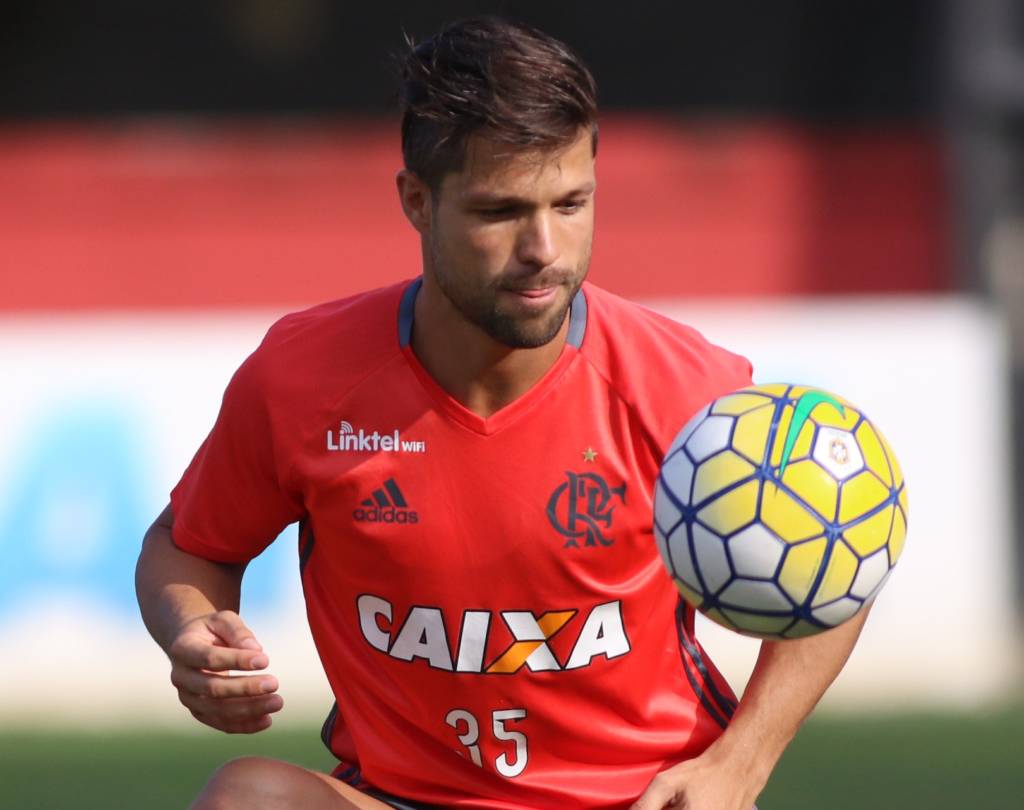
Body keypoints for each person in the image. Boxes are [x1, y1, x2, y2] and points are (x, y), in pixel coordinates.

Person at [136, 16, 870, 810]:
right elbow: (189, 545)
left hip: (637, 801)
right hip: (401, 798)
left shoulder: (683, 390)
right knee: (247, 798)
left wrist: (740, 765)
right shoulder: (304, 379)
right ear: (418, 202)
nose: (544, 248)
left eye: (572, 203)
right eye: (501, 211)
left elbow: (840, 559)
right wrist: (191, 632)